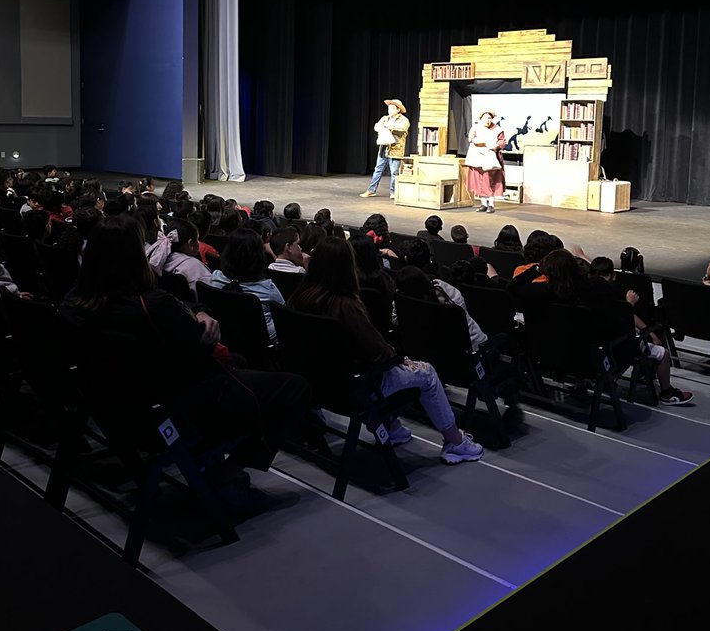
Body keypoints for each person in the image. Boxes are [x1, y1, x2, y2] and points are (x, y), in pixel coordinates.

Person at [60, 215, 311, 515]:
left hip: (115, 409)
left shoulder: (74, 302)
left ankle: (218, 462)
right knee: (296, 389)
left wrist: (200, 309)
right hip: (171, 411)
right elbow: (196, 350)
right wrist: (204, 336)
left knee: (240, 362)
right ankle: (227, 472)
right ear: (132, 257)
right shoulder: (150, 307)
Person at [289, 238, 483, 464]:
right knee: (427, 373)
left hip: (321, 382)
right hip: (357, 387)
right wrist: (401, 359)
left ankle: (392, 427)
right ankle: (456, 441)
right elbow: (378, 352)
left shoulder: (300, 298)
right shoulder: (344, 306)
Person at [589, 256, 693, 405]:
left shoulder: (585, 293)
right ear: (613, 275)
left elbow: (625, 315)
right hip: (615, 347)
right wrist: (629, 305)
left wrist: (648, 332)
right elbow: (617, 322)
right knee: (663, 353)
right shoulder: (610, 296)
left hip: (594, 346)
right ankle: (667, 393)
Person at [211, 227, 285, 340]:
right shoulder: (268, 289)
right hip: (262, 344)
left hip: (225, 337)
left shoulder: (215, 277)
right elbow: (284, 315)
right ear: (259, 257)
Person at [359, 98, 410, 199]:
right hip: (384, 148)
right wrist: (382, 127)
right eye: (389, 108)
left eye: (392, 108)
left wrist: (388, 127)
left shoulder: (404, 120)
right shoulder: (385, 118)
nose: (389, 110)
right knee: (378, 170)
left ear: (398, 110)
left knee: (394, 172)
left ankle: (394, 192)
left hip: (396, 149)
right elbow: (377, 126)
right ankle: (371, 190)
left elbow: (402, 128)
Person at [465, 108, 506, 213]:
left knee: (490, 180)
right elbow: (471, 138)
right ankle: (483, 203)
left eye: (489, 118)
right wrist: (473, 139)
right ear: (481, 118)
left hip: (491, 157)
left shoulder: (497, 129)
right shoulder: (476, 127)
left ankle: (491, 204)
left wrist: (496, 146)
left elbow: (502, 141)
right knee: (479, 180)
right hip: (477, 156)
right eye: (485, 118)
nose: (488, 120)